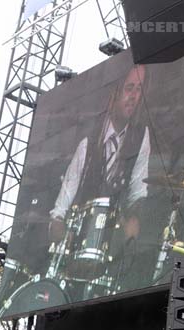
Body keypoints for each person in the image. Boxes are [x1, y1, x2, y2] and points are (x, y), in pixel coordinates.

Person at [48, 64, 151, 288]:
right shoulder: (88, 140)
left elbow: (138, 191)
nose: (134, 97)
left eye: (139, 90)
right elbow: (61, 205)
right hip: (77, 248)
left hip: (112, 248)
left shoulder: (141, 136)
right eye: (129, 88)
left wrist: (133, 217)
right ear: (114, 93)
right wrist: (60, 229)